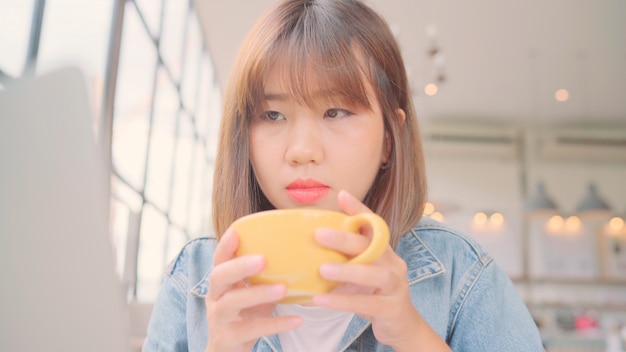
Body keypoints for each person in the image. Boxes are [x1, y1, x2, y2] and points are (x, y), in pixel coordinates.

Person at [142, 0, 545, 351]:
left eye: (336, 112)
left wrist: (412, 335)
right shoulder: (193, 274)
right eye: (272, 115)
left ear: (390, 138)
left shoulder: (462, 274)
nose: (302, 151)